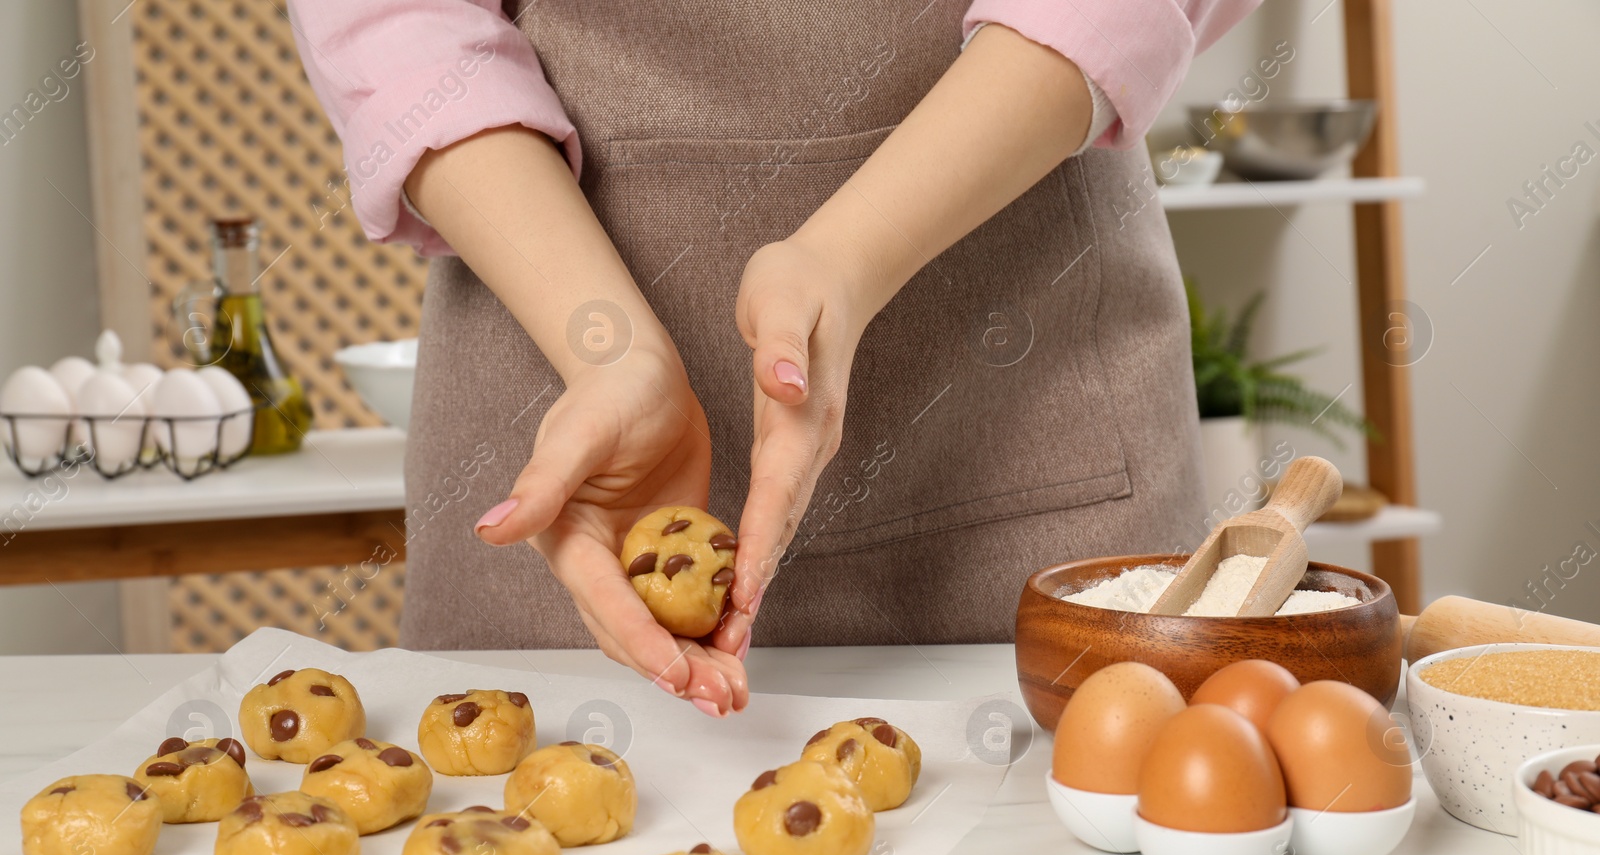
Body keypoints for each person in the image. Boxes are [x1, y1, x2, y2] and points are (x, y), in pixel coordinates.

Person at [289, 0, 1258, 717]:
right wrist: (609, 351)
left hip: (1026, 421)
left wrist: (851, 256)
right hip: (566, 429)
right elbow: (396, 23)